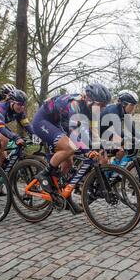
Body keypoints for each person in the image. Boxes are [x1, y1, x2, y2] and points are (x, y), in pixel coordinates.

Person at [31, 83, 112, 211]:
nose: (102, 109)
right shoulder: (74, 105)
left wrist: (100, 148)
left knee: (69, 162)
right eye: (101, 105)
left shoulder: (92, 109)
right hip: (42, 121)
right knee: (70, 147)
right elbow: (75, 132)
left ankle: (63, 193)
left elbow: (91, 131)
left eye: (104, 106)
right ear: (90, 100)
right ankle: (44, 174)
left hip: (58, 123)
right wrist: (87, 151)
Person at [0, 89, 34, 166]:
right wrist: (16, 137)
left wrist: (35, 135)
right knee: (5, 139)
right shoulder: (1, 108)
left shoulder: (20, 112)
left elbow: (27, 125)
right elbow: (2, 129)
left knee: (4, 155)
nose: (22, 107)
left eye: (23, 105)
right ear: (12, 102)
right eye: (19, 104)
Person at [100, 90, 140, 164]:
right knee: (104, 161)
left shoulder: (123, 111)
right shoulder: (113, 110)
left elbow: (131, 129)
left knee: (123, 147)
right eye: (132, 105)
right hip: (95, 133)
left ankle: (115, 168)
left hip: (105, 132)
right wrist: (132, 139)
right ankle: (100, 172)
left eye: (134, 106)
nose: (133, 108)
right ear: (124, 104)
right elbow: (118, 131)